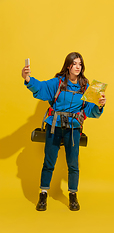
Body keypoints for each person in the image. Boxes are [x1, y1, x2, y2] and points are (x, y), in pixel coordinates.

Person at [22, 52, 106, 211]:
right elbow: (40, 87)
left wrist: (100, 105)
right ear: (68, 66)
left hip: (74, 128)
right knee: (49, 162)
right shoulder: (57, 83)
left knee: (73, 164)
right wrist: (27, 79)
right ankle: (43, 194)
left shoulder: (86, 86)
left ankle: (73, 195)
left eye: (80, 64)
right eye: (74, 64)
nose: (77, 67)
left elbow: (90, 110)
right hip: (55, 126)